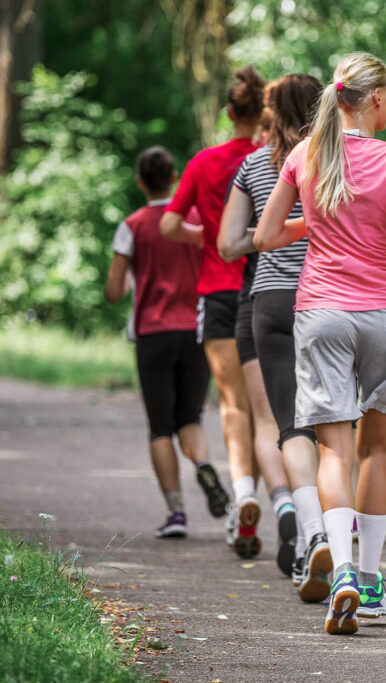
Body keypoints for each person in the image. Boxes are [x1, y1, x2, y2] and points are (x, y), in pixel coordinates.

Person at [255, 52, 386, 636]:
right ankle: (374, 580)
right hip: (385, 309)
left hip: (322, 311)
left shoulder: (306, 155)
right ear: (377, 98)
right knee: (374, 446)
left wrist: (317, 222)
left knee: (333, 449)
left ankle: (343, 575)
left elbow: (263, 235)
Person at [217, 75, 324, 583]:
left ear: (270, 111)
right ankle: (321, 530)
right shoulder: (333, 160)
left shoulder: (255, 164)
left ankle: (292, 515)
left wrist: (269, 236)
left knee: (283, 424)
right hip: (328, 298)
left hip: (271, 302)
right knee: (331, 426)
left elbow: (228, 244)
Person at [160, 66, 266, 559]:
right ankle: (262, 499)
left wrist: (208, 237)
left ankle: (242, 502)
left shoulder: (205, 162)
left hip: (218, 292)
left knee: (232, 405)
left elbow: (168, 222)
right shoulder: (275, 160)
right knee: (265, 409)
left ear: (229, 112)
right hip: (265, 288)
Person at [105, 146, 230, 538]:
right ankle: (204, 465)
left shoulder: (133, 225)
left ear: (141, 181)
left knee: (160, 426)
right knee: (190, 418)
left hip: (152, 333)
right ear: (175, 177)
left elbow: (112, 290)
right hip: (196, 329)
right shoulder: (193, 220)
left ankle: (176, 513)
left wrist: (133, 279)